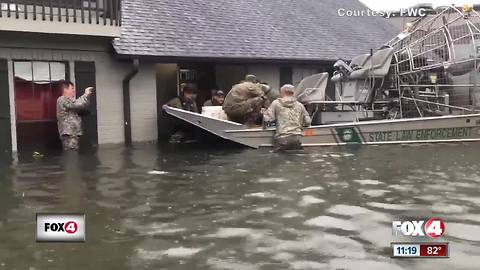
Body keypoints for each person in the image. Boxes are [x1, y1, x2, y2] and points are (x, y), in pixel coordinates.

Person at [263, 84, 311, 151]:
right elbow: (308, 122)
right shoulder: (300, 105)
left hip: (282, 137)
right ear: (293, 93)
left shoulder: (276, 103)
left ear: (283, 92)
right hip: (297, 138)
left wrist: (264, 113)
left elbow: (268, 119)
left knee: (280, 158)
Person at [56, 80, 94, 151]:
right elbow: (77, 104)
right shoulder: (62, 99)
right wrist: (86, 95)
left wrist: (87, 97)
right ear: (65, 89)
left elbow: (82, 105)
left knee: (73, 155)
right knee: (71, 155)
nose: (74, 90)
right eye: (72, 88)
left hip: (73, 133)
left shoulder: (70, 101)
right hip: (69, 134)